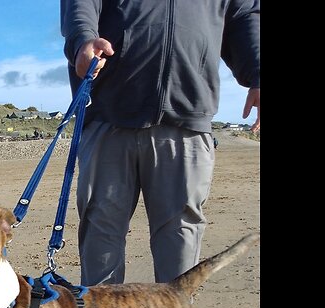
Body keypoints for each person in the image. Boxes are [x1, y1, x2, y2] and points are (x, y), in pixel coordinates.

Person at [61, 0, 260, 286]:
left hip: (188, 115)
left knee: (181, 236)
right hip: (109, 113)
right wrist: (82, 39)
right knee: (100, 232)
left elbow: (243, 14)